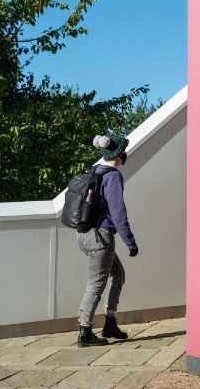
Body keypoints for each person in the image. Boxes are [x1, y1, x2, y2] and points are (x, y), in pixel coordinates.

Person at [76, 134, 139, 347]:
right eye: (124, 151)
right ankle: (85, 332)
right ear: (118, 153)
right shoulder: (112, 175)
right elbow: (118, 211)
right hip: (100, 238)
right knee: (96, 283)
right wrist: (130, 241)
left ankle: (110, 323)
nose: (125, 155)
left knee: (117, 274)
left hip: (84, 235)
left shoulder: (95, 170)